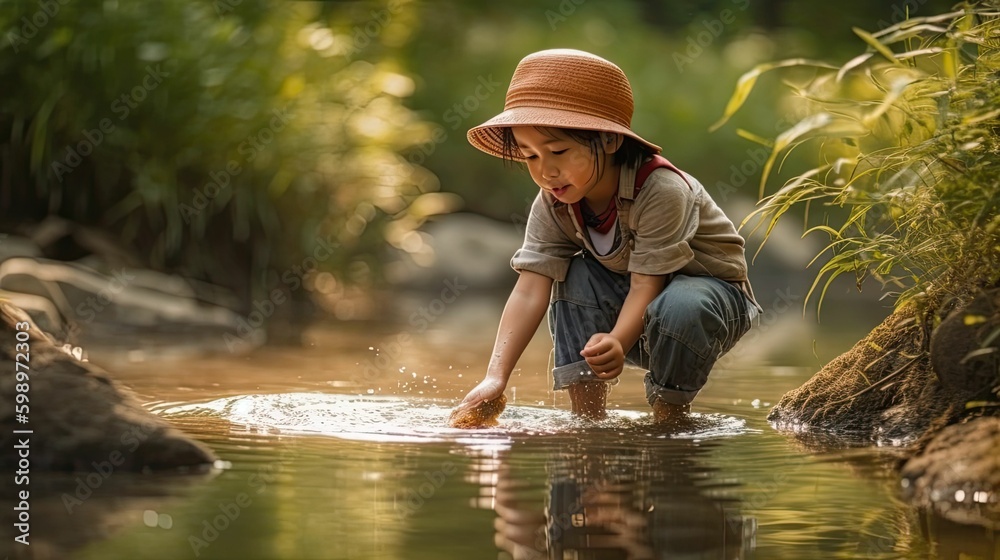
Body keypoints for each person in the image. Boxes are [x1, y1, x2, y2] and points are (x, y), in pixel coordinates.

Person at [451, 49, 759, 425]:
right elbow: (531, 288)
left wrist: (619, 339)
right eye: (530, 156)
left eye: (559, 151)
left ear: (610, 142)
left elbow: (649, 283)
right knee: (574, 275)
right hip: (633, 305)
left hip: (707, 308)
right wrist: (495, 377)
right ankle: (588, 421)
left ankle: (670, 417)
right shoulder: (556, 201)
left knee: (681, 302)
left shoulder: (661, 190)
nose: (546, 171)